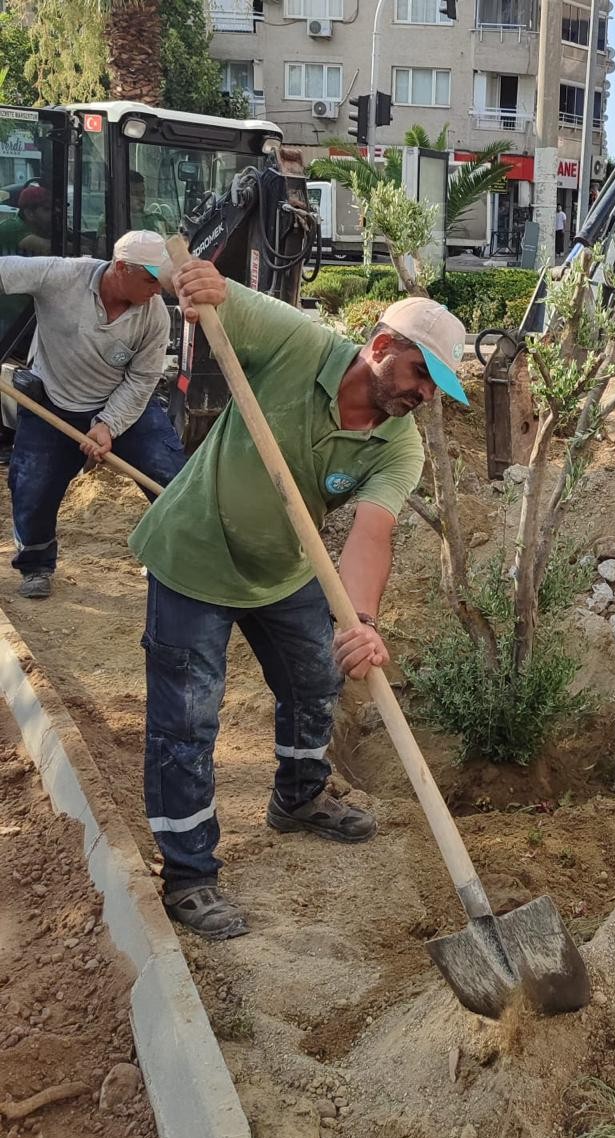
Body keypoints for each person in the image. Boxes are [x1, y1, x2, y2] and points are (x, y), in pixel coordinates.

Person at [128, 256, 468, 940]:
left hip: (281, 570)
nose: (426, 397)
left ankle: (299, 796)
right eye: (420, 377)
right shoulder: (298, 343)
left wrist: (362, 621)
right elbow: (225, 298)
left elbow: (373, 534)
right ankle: (190, 876)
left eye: (437, 387)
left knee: (316, 680)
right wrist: (201, 286)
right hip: (194, 556)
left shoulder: (399, 447)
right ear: (379, 349)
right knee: (187, 723)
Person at [0, 231, 185, 600]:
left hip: (121, 402)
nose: (157, 291)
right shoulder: (61, 276)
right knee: (32, 483)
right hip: (52, 400)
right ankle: (36, 564)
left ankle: (173, 557)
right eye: (150, 280)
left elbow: (142, 379)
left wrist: (108, 425)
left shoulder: (155, 316)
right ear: (120, 268)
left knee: (171, 475)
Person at [0, 184, 53, 256]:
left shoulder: (41, 228)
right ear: (29, 213)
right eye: (46, 209)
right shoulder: (12, 226)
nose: (52, 214)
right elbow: (49, 247)